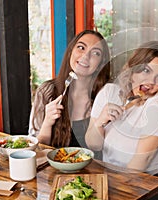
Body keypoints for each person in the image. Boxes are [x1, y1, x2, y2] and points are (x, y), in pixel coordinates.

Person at [85, 40, 158, 178]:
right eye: (146, 70)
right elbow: (94, 145)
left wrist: (113, 188)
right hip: (113, 174)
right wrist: (99, 122)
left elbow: (141, 161)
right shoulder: (109, 92)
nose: (151, 82)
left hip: (149, 179)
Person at [28, 30, 110, 160]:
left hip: (95, 175)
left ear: (101, 62)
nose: (85, 56)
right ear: (71, 50)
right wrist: (48, 122)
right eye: (81, 48)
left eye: (95, 53)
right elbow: (37, 150)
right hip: (54, 173)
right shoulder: (46, 91)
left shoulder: (106, 97)